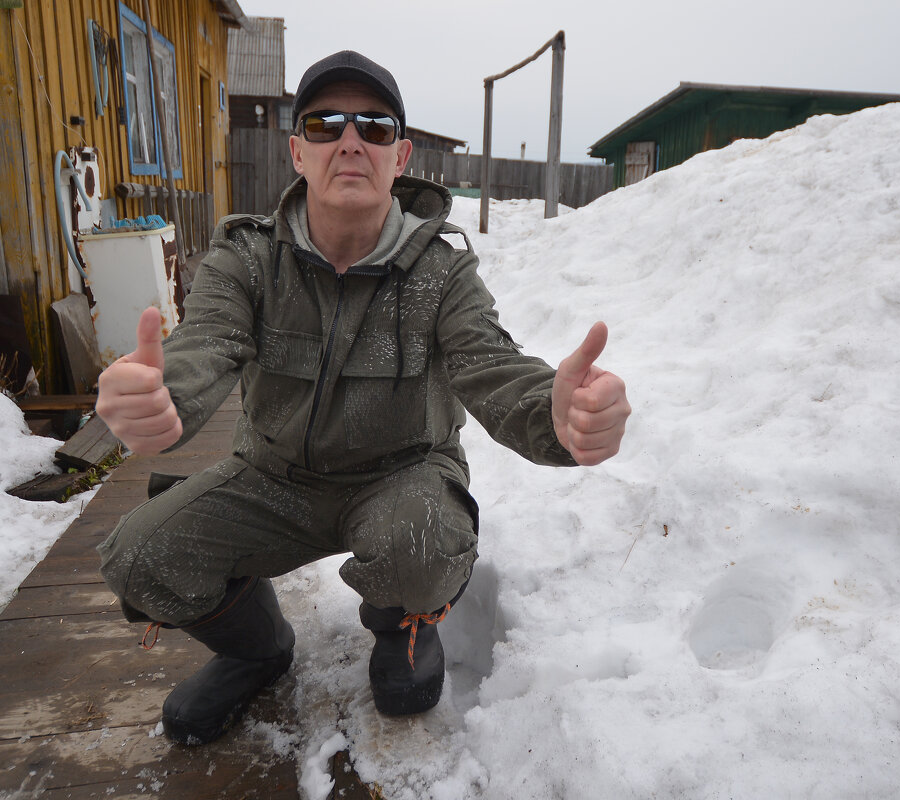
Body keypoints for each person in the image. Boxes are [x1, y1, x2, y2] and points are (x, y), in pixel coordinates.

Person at [94, 50, 631, 746]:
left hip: (400, 480)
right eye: (326, 124)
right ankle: (256, 650)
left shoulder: (442, 271)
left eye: (375, 128)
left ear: (400, 153)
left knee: (421, 540)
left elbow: (493, 367)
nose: (351, 140)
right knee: (137, 558)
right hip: (272, 480)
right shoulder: (247, 260)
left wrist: (560, 419)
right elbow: (204, 347)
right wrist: (160, 397)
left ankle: (401, 630)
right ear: (297, 150)